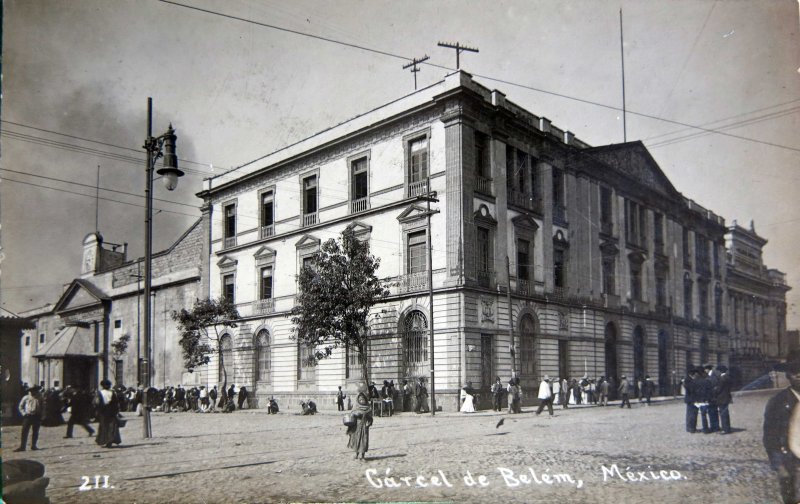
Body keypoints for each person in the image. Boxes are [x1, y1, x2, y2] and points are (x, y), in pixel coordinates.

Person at [764, 349, 800, 504]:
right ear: (787, 375)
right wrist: (780, 466)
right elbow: (770, 437)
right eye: (794, 371)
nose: (799, 375)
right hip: (791, 463)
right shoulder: (778, 402)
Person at [347, 382, 373, 460]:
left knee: (363, 441)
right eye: (360, 399)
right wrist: (355, 415)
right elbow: (352, 413)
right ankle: (356, 454)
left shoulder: (368, 408)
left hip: (364, 426)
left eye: (363, 399)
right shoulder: (356, 407)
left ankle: (362, 455)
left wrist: (369, 423)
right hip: (357, 426)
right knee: (357, 440)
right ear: (358, 400)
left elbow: (370, 418)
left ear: (365, 400)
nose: (362, 401)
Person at [14, 385, 43, 452]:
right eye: (31, 390)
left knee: (35, 431)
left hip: (36, 416)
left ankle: (33, 445)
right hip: (28, 416)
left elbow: (43, 406)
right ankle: (22, 446)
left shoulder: (40, 397)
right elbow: (20, 406)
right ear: (29, 391)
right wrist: (24, 413)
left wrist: (42, 415)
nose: (33, 392)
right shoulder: (26, 397)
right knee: (24, 431)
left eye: (35, 390)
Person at [95, 379, 122, 448]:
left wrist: (98, 411)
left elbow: (97, 403)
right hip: (111, 412)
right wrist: (116, 412)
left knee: (103, 426)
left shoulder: (99, 393)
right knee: (111, 427)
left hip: (103, 412)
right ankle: (109, 441)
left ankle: (103, 440)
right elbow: (116, 403)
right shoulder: (112, 392)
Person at [714, 365, 733, 434]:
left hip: (721, 398)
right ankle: (727, 428)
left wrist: (714, 390)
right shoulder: (728, 377)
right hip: (727, 397)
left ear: (720, 371)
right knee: (725, 413)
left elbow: (719, 389)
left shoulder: (722, 378)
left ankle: (725, 429)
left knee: (723, 414)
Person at [704, 364, 720, 432]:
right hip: (713, 397)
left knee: (712, 412)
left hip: (712, 397)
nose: (704, 371)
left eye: (705, 369)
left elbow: (714, 386)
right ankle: (715, 426)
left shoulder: (711, 377)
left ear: (707, 369)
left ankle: (714, 427)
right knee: (713, 412)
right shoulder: (713, 376)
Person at [684, 368, 700, 433]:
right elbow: (691, 389)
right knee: (691, 414)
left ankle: (692, 427)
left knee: (693, 414)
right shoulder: (688, 380)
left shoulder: (690, 379)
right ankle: (691, 428)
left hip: (692, 399)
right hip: (691, 399)